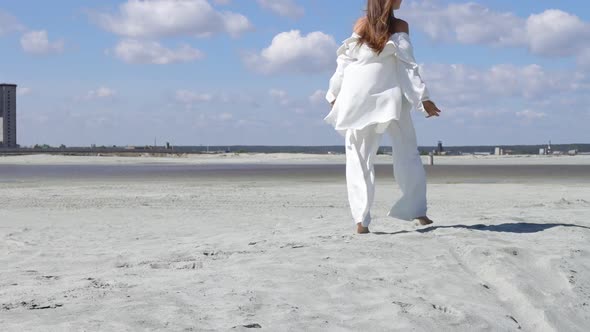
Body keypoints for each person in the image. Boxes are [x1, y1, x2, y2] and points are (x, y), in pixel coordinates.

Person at [324, 0, 442, 234]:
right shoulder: (398, 25)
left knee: (359, 156)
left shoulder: (362, 24)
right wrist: (423, 98)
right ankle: (415, 211)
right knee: (406, 152)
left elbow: (345, 62)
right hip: (387, 95)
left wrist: (334, 92)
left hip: (359, 94)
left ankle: (362, 220)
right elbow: (407, 66)